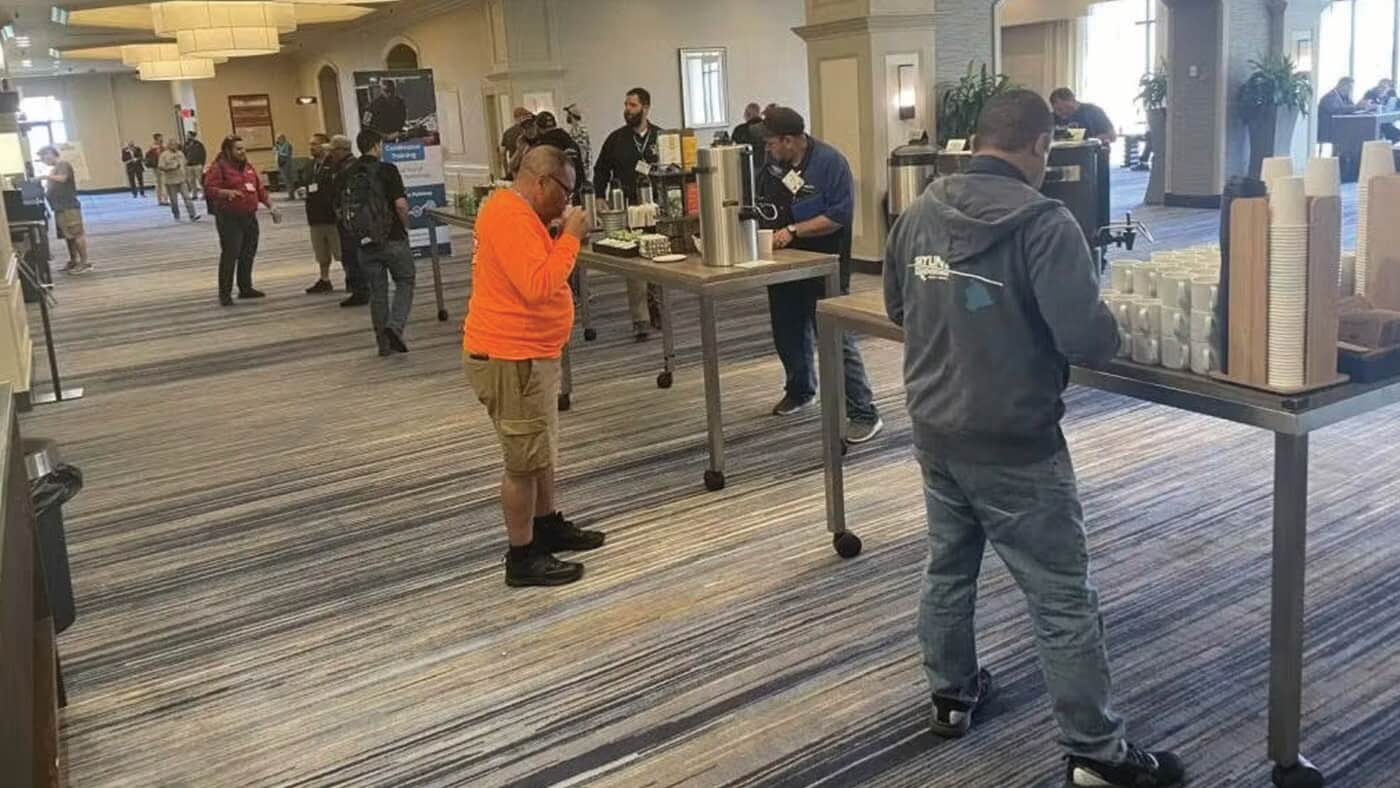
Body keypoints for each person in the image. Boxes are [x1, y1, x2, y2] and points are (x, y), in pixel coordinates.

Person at [883, 90, 1186, 788]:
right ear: (1041, 146)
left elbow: (899, 306)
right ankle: (1095, 753)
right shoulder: (1046, 223)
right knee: (1061, 595)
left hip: (935, 427)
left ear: (975, 142)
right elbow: (1083, 336)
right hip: (1014, 438)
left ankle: (951, 694)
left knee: (948, 566)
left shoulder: (920, 211)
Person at [464, 145, 604, 587]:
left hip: (530, 354)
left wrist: (556, 234)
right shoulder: (508, 215)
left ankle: (545, 525)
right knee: (523, 463)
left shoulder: (520, 214)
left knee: (540, 451)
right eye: (566, 191)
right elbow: (539, 285)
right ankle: (522, 555)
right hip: (512, 358)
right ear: (542, 182)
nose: (569, 201)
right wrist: (572, 237)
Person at [753, 106, 883, 443]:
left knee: (835, 338)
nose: (767, 148)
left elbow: (839, 215)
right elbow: (762, 205)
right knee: (787, 331)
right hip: (783, 267)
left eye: (771, 142)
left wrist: (794, 230)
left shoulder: (830, 163)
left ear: (789, 140)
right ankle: (800, 390)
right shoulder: (772, 167)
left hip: (824, 267)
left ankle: (863, 411)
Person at [333, 129, 415, 355]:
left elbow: (339, 210)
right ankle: (395, 327)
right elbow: (400, 205)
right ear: (377, 146)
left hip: (364, 243)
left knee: (377, 292)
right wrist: (406, 226)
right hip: (393, 238)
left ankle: (383, 346)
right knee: (405, 280)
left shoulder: (345, 175)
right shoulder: (388, 170)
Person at [592, 87, 663, 340]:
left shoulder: (661, 137)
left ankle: (657, 307)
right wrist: (599, 196)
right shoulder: (616, 139)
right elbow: (601, 169)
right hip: (628, 206)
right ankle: (640, 319)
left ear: (645, 108)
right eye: (626, 105)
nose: (627, 110)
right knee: (634, 265)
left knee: (657, 259)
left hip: (657, 208)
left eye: (632, 105)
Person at [204, 135, 280, 306]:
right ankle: (225, 293)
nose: (242, 151)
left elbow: (259, 189)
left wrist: (271, 206)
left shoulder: (248, 166)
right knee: (230, 254)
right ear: (228, 151)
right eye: (238, 149)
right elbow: (209, 189)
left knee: (248, 253)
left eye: (243, 148)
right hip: (229, 218)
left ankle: (245, 288)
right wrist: (225, 193)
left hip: (249, 216)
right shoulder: (219, 167)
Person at [298, 133, 346, 294]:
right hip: (315, 215)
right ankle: (324, 280)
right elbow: (306, 183)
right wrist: (302, 190)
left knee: (341, 251)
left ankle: (352, 278)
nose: (311, 147)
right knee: (321, 253)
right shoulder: (309, 166)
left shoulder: (334, 164)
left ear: (325, 146)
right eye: (310, 144)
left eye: (315, 144)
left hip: (332, 216)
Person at [328, 134, 371, 308]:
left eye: (333, 150)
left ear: (342, 150)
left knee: (352, 254)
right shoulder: (345, 166)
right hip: (350, 217)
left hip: (351, 219)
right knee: (350, 254)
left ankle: (360, 290)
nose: (330, 154)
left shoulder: (350, 168)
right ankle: (358, 287)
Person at [37, 146, 91, 274]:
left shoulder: (63, 164)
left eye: (44, 156)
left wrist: (45, 177)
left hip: (69, 207)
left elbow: (63, 178)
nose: (43, 160)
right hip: (59, 207)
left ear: (51, 154)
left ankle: (84, 263)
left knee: (76, 234)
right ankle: (73, 260)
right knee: (68, 236)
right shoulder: (54, 169)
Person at [1049, 88, 1117, 144]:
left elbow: (1112, 136)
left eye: (1068, 107)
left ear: (1073, 100)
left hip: (1092, 154)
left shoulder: (1093, 111)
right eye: (1058, 110)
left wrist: (1092, 139)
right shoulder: (1051, 118)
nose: (1064, 112)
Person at [158, 139, 201, 222]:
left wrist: (187, 179)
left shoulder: (180, 153)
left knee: (187, 198)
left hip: (181, 179)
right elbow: (161, 167)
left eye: (176, 145)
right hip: (170, 181)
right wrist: (171, 168)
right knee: (174, 200)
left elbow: (184, 165)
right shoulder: (164, 155)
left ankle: (192, 215)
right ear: (169, 145)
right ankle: (176, 214)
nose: (175, 146)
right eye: (173, 145)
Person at [1317, 77, 1364, 147]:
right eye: (1350, 87)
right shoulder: (1330, 96)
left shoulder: (1345, 97)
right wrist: (1357, 106)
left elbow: (1351, 107)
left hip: (1339, 128)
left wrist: (1360, 106)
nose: (1351, 89)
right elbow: (1337, 110)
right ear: (1342, 85)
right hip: (1329, 130)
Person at [1363, 78, 1400, 142]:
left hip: (1385, 122)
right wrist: (1370, 105)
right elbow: (1363, 105)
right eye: (1379, 86)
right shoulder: (1371, 93)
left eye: (1384, 87)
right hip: (1370, 121)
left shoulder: (1392, 96)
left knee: (1386, 125)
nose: (1380, 89)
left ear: (1389, 89)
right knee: (1385, 126)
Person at [564, 103, 592, 183]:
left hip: (581, 170)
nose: (566, 116)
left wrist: (581, 169)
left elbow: (583, 151)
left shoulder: (580, 131)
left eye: (568, 114)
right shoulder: (573, 130)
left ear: (571, 115)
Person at [183, 131, 207, 199]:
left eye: (189, 135)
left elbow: (203, 153)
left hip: (197, 165)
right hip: (189, 165)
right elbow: (184, 154)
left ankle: (204, 194)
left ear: (192, 136)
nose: (187, 136)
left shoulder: (198, 144)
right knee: (191, 181)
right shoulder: (186, 144)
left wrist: (202, 163)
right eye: (187, 135)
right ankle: (194, 194)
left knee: (200, 180)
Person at [146, 133, 167, 205]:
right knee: (160, 184)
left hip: (162, 167)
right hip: (157, 167)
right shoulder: (153, 148)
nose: (162, 139)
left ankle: (163, 199)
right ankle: (161, 200)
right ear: (156, 139)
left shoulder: (163, 147)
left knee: (162, 184)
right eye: (160, 138)